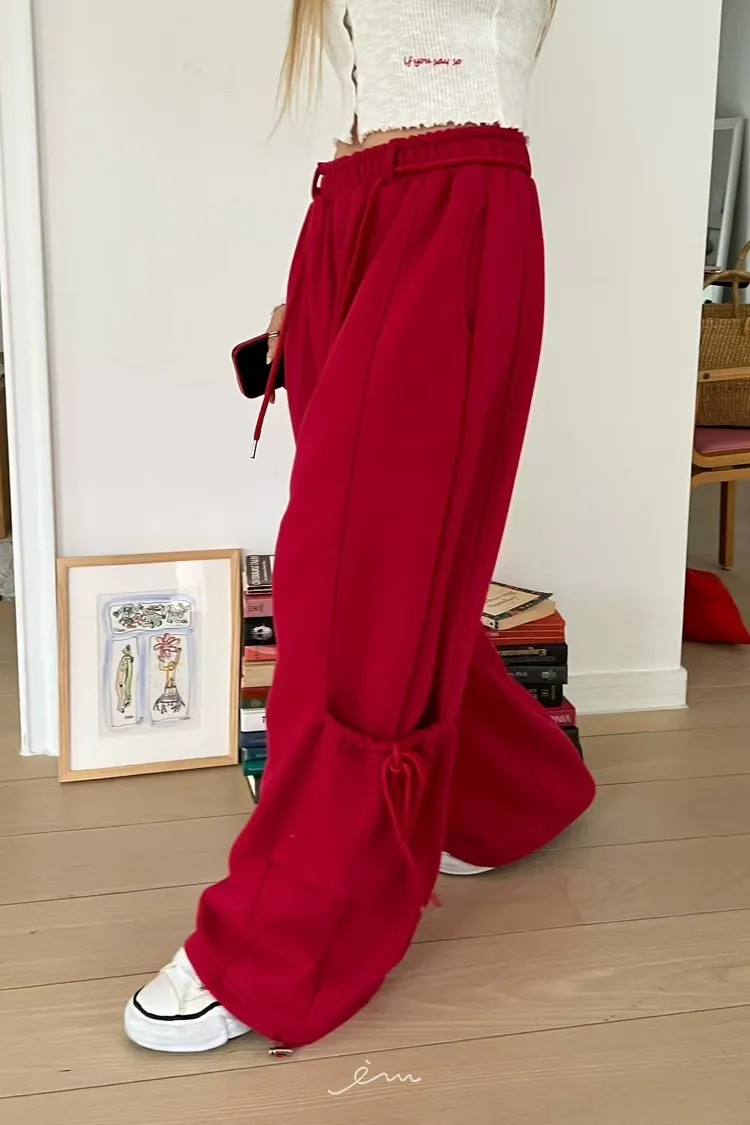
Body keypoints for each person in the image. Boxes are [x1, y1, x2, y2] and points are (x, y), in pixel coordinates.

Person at [125, 0, 595, 1054]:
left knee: (352, 581)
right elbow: (379, 91)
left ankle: (283, 939)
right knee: (391, 565)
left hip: (456, 208)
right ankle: (507, 797)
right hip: (352, 215)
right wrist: (318, 272)